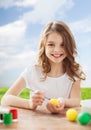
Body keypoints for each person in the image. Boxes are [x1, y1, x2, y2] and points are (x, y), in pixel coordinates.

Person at [1, 21, 85, 114]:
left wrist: (63, 101)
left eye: (63, 44)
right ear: (43, 46)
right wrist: (29, 104)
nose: (57, 50)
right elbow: (6, 99)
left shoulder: (74, 71)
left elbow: (76, 101)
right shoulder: (33, 71)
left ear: (69, 46)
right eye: (51, 44)